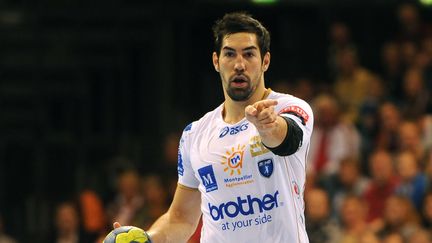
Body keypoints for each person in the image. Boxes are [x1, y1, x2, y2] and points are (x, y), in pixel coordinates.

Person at [111, 12, 314, 243]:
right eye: (230, 54)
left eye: (249, 54)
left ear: (265, 61)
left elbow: (287, 140)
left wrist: (267, 126)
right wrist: (146, 239)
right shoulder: (194, 134)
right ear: (216, 61)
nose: (239, 65)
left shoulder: (288, 107)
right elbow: (180, 219)